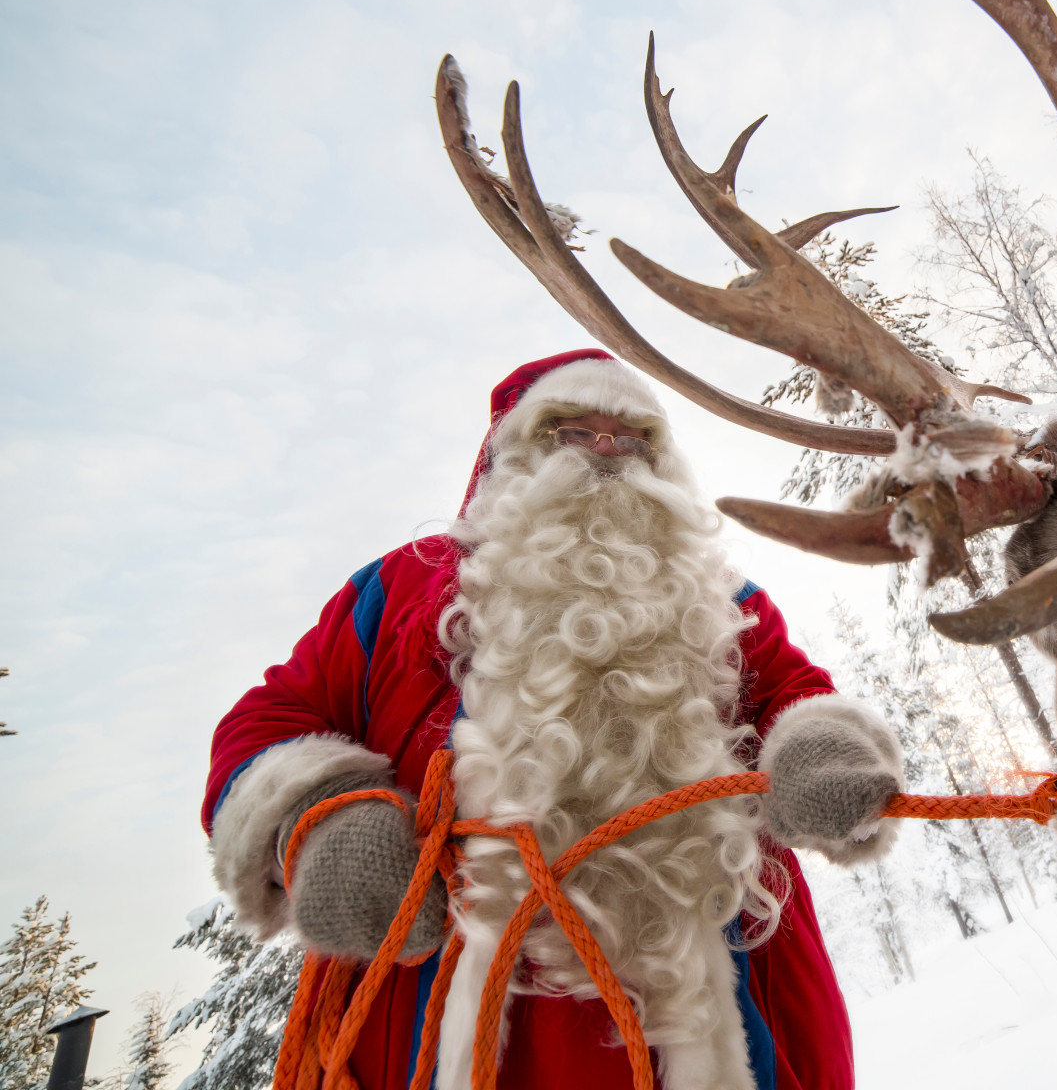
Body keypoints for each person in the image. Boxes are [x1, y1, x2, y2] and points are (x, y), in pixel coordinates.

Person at [201, 349, 904, 1090]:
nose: (606, 451)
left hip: (710, 1019)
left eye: (633, 438)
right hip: (435, 1027)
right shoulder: (399, 587)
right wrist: (321, 821)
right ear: (508, 456)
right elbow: (270, 717)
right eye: (571, 432)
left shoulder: (725, 602)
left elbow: (799, 694)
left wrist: (823, 747)